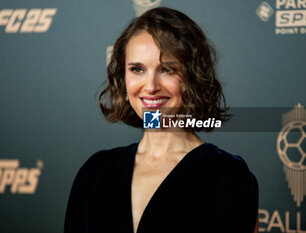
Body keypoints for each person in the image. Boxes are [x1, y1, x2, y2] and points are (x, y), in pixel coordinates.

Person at [64, 7, 258, 233]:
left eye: (166, 69)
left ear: (193, 77)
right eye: (137, 69)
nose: (151, 86)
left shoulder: (228, 176)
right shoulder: (96, 172)